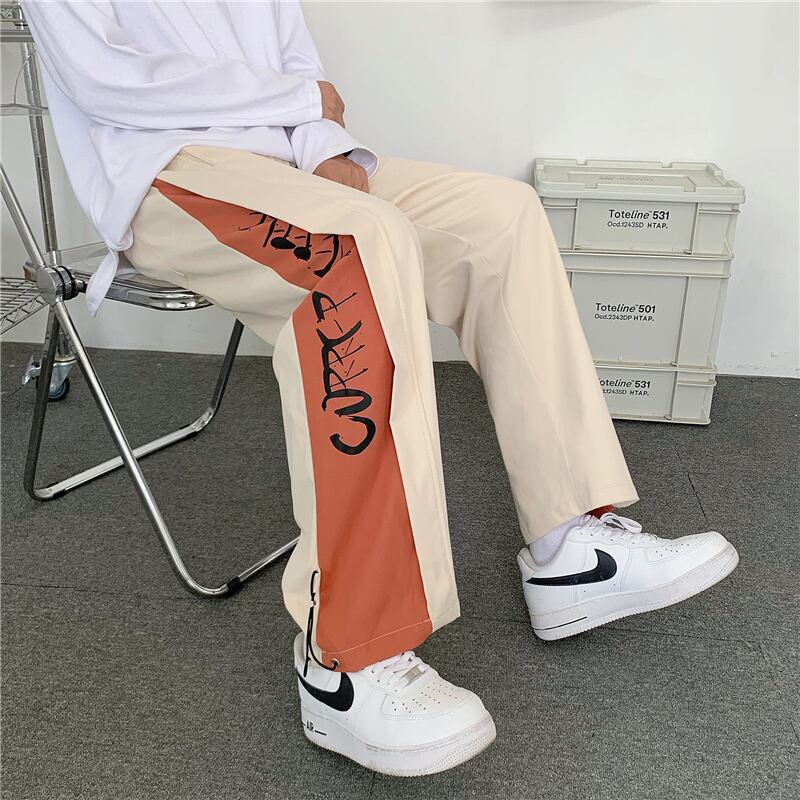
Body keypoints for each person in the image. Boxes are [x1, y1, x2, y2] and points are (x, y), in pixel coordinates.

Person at [22, 0, 739, 777]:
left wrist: (327, 145)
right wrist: (303, 105)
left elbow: (298, 63)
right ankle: (345, 657)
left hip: (287, 158)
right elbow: (109, 80)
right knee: (357, 247)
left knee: (500, 217)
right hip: (168, 172)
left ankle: (570, 545)